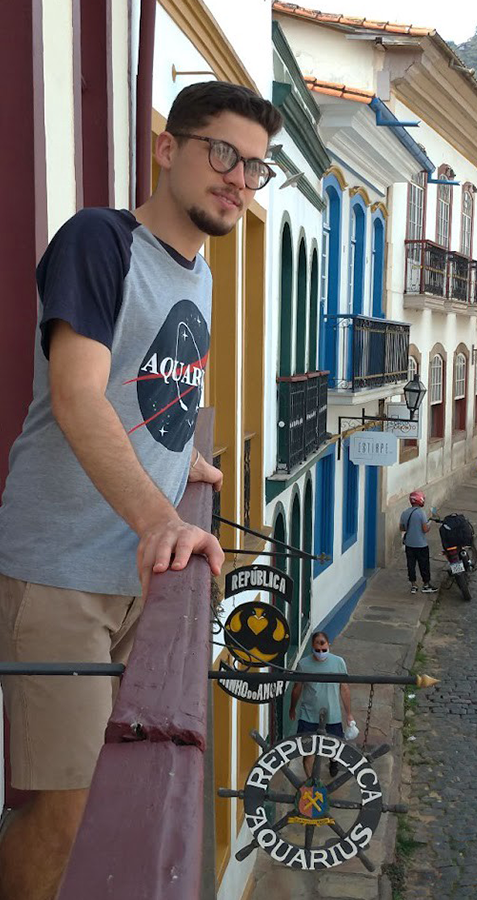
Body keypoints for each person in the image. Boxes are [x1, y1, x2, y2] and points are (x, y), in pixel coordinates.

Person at [0, 81, 282, 900]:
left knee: (108, 801)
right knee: (66, 815)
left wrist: (176, 462)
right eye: (222, 153)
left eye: (255, 167)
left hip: (133, 576)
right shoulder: (100, 239)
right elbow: (79, 392)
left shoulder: (199, 278)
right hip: (60, 578)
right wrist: (162, 514)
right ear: (169, 150)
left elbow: (150, 394)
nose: (238, 178)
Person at [289, 632, 354, 777]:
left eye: (323, 650)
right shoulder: (303, 664)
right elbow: (297, 688)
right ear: (312, 647)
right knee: (308, 751)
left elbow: (344, 688)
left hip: (332, 714)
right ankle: (312, 783)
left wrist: (349, 713)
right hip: (309, 715)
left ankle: (333, 761)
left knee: (334, 748)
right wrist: (292, 708)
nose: (320, 653)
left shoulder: (338, 663)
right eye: (317, 650)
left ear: (328, 645)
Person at [400, 491, 438, 594]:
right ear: (420, 500)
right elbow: (425, 529)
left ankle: (413, 585)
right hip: (421, 544)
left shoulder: (405, 513)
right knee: (424, 564)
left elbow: (402, 528)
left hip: (409, 544)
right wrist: (429, 524)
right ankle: (426, 584)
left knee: (411, 565)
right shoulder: (421, 513)